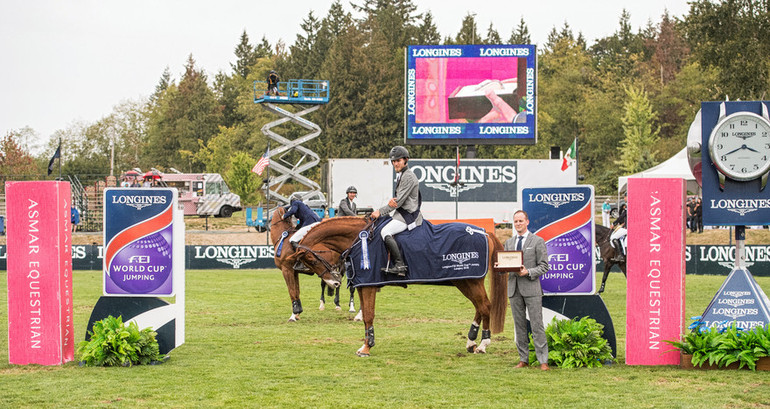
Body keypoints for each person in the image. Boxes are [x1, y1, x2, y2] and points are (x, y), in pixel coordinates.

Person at [505, 210, 549, 371]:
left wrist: (528, 272)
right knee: (519, 326)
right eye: (515, 221)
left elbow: (544, 266)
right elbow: (506, 265)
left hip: (531, 288)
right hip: (514, 290)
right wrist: (500, 268)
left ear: (527, 222)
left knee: (537, 325)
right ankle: (523, 359)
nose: (518, 224)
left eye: (520, 221)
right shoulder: (509, 243)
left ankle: (543, 360)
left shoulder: (537, 241)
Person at [370, 146, 423, 276]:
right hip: (401, 213)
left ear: (406, 160)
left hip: (408, 216)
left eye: (398, 160)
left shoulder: (408, 177)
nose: (395, 163)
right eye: (393, 161)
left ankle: (400, 265)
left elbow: (397, 202)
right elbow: (395, 202)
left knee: (385, 231)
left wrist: (380, 211)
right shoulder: (402, 175)